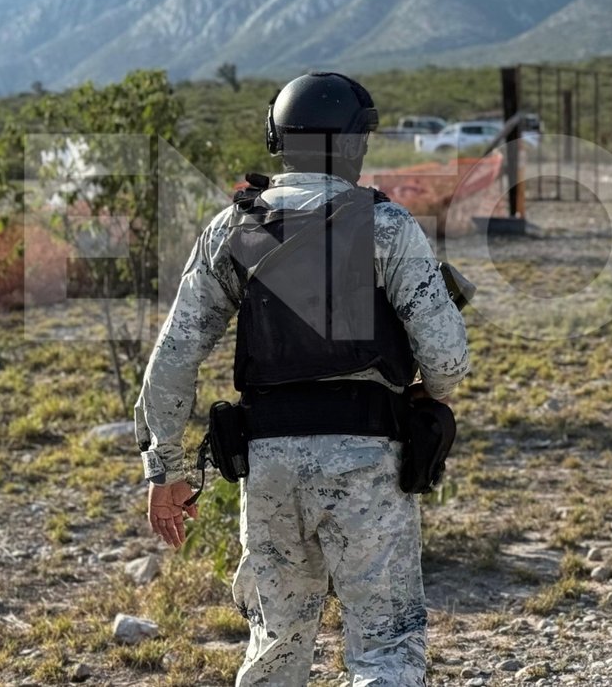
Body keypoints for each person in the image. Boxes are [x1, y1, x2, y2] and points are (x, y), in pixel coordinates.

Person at [134, 71, 471, 687]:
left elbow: (173, 359)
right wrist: (430, 395)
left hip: (268, 466)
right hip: (368, 465)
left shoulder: (232, 229)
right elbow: (447, 360)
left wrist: (166, 469)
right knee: (386, 649)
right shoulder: (389, 227)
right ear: (352, 145)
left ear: (277, 141)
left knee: (275, 650)